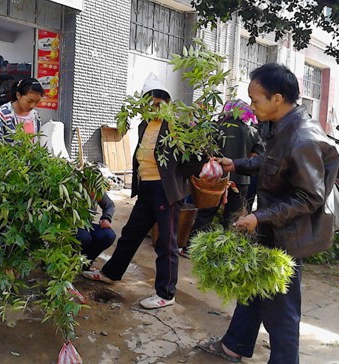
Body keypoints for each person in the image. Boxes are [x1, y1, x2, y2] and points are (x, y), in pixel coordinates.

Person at [198, 63, 339, 363]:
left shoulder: (302, 138)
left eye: (255, 99)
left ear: (277, 98)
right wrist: (235, 164)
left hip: (288, 235)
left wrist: (258, 217)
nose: (251, 106)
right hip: (273, 227)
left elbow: (309, 198)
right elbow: (271, 160)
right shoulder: (282, 126)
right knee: (252, 287)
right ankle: (234, 345)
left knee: (282, 312)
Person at [82, 74, 203, 309]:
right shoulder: (144, 125)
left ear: (168, 103)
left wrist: (180, 175)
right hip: (147, 187)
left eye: (160, 103)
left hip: (166, 191)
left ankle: (166, 294)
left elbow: (200, 156)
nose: (155, 108)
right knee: (130, 234)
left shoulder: (177, 126)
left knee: (166, 243)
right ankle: (112, 273)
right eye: (151, 104)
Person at [179, 99, 265, 257]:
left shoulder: (216, 127)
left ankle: (190, 248)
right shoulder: (251, 131)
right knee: (232, 218)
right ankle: (226, 253)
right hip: (241, 180)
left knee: (206, 213)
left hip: (216, 179)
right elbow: (258, 153)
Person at [0, 78, 44, 146]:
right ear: (18, 95)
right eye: (29, 101)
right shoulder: (4, 114)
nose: (33, 105)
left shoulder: (35, 115)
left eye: (37, 102)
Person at [77, 192, 116, 269]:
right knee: (84, 237)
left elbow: (110, 205)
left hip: (86, 225)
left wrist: (106, 218)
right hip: (68, 226)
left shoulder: (95, 187)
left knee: (108, 235)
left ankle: (84, 264)